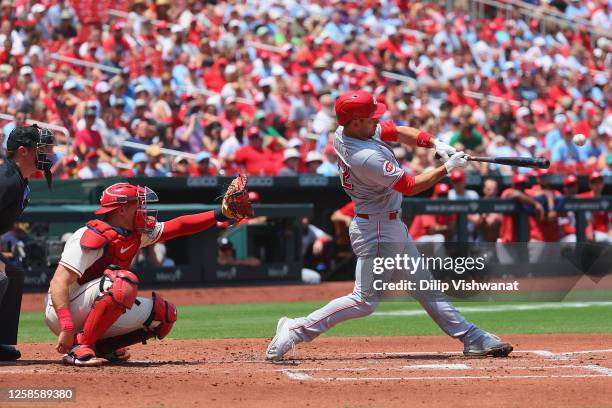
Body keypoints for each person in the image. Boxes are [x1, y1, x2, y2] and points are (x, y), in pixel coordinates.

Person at [266, 90, 512, 361]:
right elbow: (408, 186)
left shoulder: (348, 130)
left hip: (388, 224)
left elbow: (396, 131)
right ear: (356, 122)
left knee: (424, 287)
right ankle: (296, 328)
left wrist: (435, 143)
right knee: (364, 301)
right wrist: (447, 169)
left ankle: (471, 337)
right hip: (378, 229)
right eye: (370, 118)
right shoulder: (364, 156)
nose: (376, 121)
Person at [45, 177, 252, 366]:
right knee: (121, 284)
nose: (143, 209)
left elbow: (178, 226)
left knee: (164, 315)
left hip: (95, 301)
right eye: (138, 204)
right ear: (122, 210)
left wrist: (220, 214)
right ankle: (78, 348)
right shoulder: (91, 236)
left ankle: (103, 347)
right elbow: (58, 283)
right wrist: (66, 325)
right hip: (64, 310)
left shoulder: (134, 233)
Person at [0, 125, 55, 360]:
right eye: (40, 149)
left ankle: (1, 342)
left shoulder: (20, 180)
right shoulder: (6, 181)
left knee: (14, 273)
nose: (47, 155)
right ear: (23, 151)